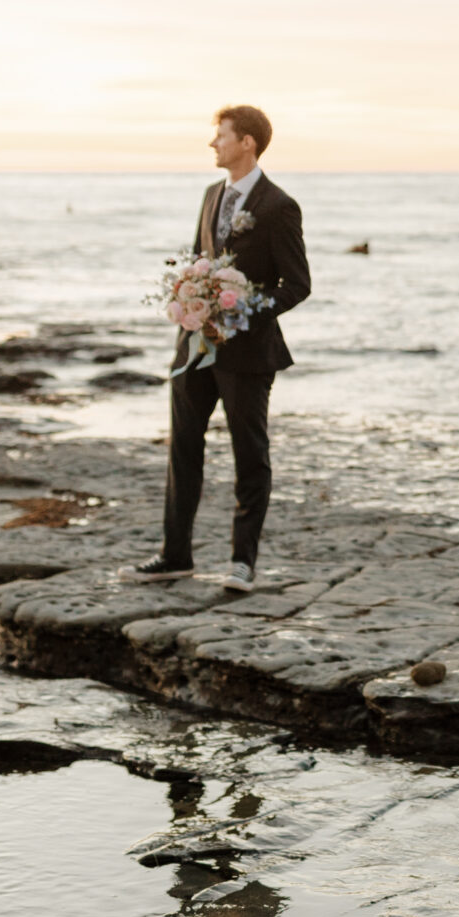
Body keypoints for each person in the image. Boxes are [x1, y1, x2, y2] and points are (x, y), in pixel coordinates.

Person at [130, 105, 311, 591]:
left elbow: (296, 285)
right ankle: (174, 555)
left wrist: (243, 310)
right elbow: (198, 261)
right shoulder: (212, 195)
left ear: (247, 142)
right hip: (193, 345)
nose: (213, 144)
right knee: (182, 447)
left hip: (248, 353)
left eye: (221, 136)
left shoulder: (278, 206)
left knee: (249, 452)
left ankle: (242, 562)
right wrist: (188, 294)